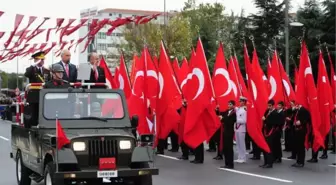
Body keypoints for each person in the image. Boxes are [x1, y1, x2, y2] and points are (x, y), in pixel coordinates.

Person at [24, 51, 48, 127]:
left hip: (44, 95)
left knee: (43, 113)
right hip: (34, 95)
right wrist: (34, 64)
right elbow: (27, 74)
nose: (43, 61)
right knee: (34, 114)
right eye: (41, 59)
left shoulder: (46, 70)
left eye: (43, 59)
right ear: (36, 60)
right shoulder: (31, 69)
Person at [219, 100, 237, 169]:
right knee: (225, 148)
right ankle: (226, 163)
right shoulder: (227, 111)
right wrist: (218, 109)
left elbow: (230, 121)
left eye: (230, 104)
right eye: (228, 104)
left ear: (233, 105)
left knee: (229, 148)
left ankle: (230, 164)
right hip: (225, 131)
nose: (229, 105)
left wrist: (223, 118)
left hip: (230, 132)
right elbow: (221, 113)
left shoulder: (234, 113)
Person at [260, 99, 277, 168]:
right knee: (264, 147)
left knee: (269, 147)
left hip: (271, 132)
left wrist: (265, 120)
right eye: (268, 105)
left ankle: (270, 163)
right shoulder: (267, 111)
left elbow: (273, 122)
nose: (269, 107)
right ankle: (265, 162)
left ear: (273, 106)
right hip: (265, 130)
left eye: (270, 106)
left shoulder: (275, 113)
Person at [235, 96, 247, 163]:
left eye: (241, 101)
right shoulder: (238, 109)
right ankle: (239, 157)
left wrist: (236, 120)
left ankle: (243, 158)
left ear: (244, 102)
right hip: (236, 128)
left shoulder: (245, 110)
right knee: (238, 143)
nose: (240, 102)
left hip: (241, 128)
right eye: (239, 101)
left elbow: (244, 121)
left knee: (242, 144)